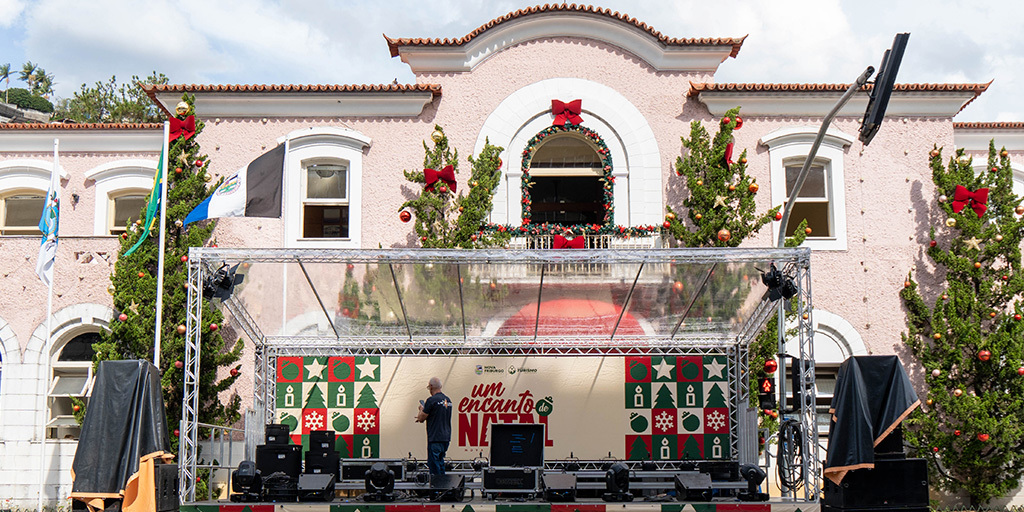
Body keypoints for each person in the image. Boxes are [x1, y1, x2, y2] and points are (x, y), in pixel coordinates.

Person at [415, 376, 452, 475]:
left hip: (435, 437)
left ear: (431, 387)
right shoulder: (448, 400)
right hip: (446, 437)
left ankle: (436, 488)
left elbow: (422, 418)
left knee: (434, 464)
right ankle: (442, 486)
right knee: (440, 462)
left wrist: (421, 409)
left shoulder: (431, 400)